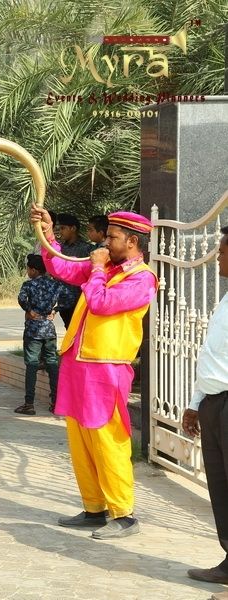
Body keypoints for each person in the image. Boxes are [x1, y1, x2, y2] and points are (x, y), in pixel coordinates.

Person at [31, 206, 157, 539]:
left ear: (132, 241)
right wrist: (48, 234)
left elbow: (101, 303)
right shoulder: (104, 269)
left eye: (112, 237)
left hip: (105, 368)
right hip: (79, 363)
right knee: (81, 441)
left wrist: (98, 268)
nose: (104, 242)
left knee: (106, 441)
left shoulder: (142, 278)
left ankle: (124, 514)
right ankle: (94, 507)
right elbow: (59, 267)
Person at [182, 225, 228, 587]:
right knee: (221, 486)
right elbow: (212, 357)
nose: (217, 257)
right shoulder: (225, 299)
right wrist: (196, 403)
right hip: (214, 404)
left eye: (223, 251)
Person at [14, 253, 61, 415]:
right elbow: (68, 298)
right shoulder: (55, 285)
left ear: (34, 270)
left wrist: (29, 310)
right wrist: (55, 310)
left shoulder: (28, 285)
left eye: (28, 269)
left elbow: (21, 299)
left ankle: (29, 404)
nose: (27, 272)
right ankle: (56, 402)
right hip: (49, 328)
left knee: (32, 365)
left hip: (33, 329)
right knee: (52, 363)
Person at [53, 213, 93, 328]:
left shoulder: (87, 249)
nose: (60, 232)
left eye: (63, 228)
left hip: (80, 301)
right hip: (64, 302)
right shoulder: (59, 249)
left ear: (73, 228)